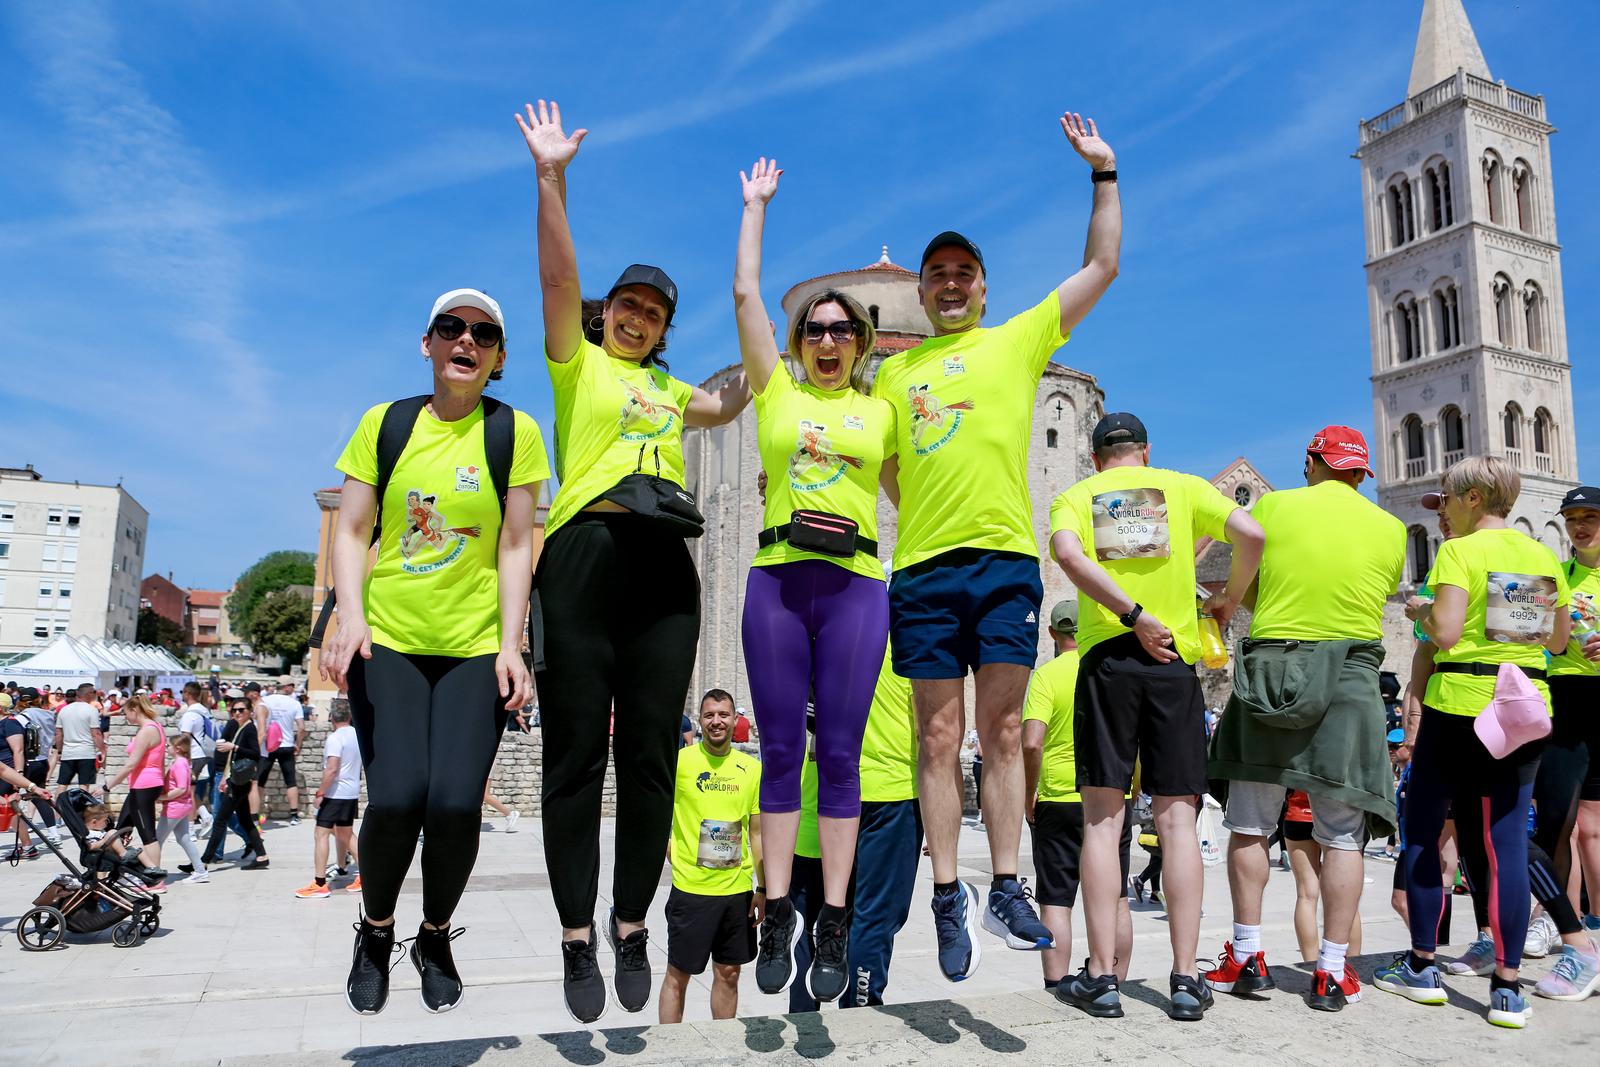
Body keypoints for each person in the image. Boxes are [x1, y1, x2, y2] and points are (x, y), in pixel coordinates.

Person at [871, 111, 1120, 981]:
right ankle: (948, 892)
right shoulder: (892, 373)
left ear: (982, 287)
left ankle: (1006, 883)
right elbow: (890, 469)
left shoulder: (1017, 340)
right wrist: (932, 512)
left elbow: (1102, 266)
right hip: (926, 570)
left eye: (961, 274)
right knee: (937, 737)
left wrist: (1102, 174)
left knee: (1004, 729)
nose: (947, 284)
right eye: (935, 274)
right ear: (920, 292)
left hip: (1006, 560)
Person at [517, 97, 749, 1022]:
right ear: (605, 313)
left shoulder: (674, 393)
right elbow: (553, 279)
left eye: (652, 314)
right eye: (626, 306)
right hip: (584, 552)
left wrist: (770, 305)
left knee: (653, 754)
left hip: (664, 568)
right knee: (577, 756)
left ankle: (628, 924)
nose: (636, 319)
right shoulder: (580, 365)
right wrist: (551, 177)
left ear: (663, 329)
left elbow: (736, 401)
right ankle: (576, 934)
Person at [320, 283, 546, 1017]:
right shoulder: (384, 425)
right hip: (388, 639)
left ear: (500, 357)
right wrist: (349, 616)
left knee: (453, 803)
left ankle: (435, 934)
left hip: (474, 645)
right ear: (428, 343)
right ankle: (377, 932)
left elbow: (517, 544)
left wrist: (514, 644)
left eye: (483, 333)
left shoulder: (514, 432)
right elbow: (351, 531)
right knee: (396, 797)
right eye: (451, 328)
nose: (466, 341)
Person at [731, 156, 895, 1002]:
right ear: (799, 344)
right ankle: (774, 907)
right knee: (780, 750)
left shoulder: (882, 409)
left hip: (858, 585)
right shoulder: (776, 398)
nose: (827, 340)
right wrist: (755, 207)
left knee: (840, 750)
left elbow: (921, 487)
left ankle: (832, 916)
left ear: (862, 345)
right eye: (815, 330)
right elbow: (746, 296)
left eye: (841, 331)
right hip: (778, 579)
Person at [1049, 411, 1263, 1021]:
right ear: (1145, 452)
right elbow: (1251, 535)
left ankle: (1101, 977)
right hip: (1173, 661)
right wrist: (1225, 599)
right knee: (1177, 819)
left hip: (1110, 659)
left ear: (1096, 459)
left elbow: (1067, 554)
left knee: (1101, 821)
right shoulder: (1183, 486)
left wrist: (1129, 612)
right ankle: (1184, 977)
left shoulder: (1076, 495)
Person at [1205, 426, 1404, 1013]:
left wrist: (1233, 600)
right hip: (1350, 676)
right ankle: (1332, 971)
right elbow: (1375, 592)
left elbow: (1252, 576)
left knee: (1248, 825)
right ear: (1360, 474)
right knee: (1343, 834)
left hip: (1271, 670)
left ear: (1313, 462)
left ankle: (1246, 955)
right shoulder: (1391, 529)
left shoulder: (1273, 505)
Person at [1375, 457, 1570, 1030]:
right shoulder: (1542, 555)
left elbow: (1449, 631)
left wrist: (1420, 610)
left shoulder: (1459, 553)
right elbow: (1558, 641)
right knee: (1505, 843)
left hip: (1461, 705)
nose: (1443, 513)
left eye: (1448, 501)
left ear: (1474, 498)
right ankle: (1509, 988)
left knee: (1424, 829)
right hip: (1526, 706)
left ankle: (1421, 965)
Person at [1023, 600, 1134, 996]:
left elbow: (1032, 741)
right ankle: (1113, 980)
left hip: (1058, 797)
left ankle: (1056, 984)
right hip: (1112, 794)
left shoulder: (1046, 676)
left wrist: (1028, 792)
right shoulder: (1111, 670)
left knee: (1056, 897)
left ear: (1052, 633)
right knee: (1117, 894)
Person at [1521, 487, 1600, 1000]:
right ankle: (1558, 922)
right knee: (1556, 822)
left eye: (1590, 516)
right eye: (1572, 518)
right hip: (1564, 696)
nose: (1580, 526)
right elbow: (1529, 633)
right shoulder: (1554, 574)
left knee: (1594, 828)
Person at [657, 692, 764, 1024]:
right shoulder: (681, 762)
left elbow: (757, 832)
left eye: (723, 714)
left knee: (730, 972)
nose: (716, 721)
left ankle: (724, 1043)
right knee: (679, 974)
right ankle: (670, 1049)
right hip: (691, 890)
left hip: (736, 891)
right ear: (700, 721)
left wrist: (763, 888)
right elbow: (656, 813)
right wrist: (668, 849)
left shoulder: (751, 769)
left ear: (735, 719)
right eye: (709, 715)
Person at [843, 644, 923, 1007]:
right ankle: (862, 1003)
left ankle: (807, 1005)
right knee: (877, 913)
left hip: (838, 792)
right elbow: (932, 734)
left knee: (834, 907)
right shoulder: (909, 646)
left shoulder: (840, 637)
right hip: (893, 792)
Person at [297, 706, 365, 899]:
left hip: (336, 793)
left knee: (320, 834)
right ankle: (366, 876)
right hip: (350, 792)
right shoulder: (356, 735)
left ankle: (319, 884)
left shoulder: (335, 738)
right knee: (345, 834)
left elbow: (331, 769)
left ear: (331, 718)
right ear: (349, 717)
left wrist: (320, 793)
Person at [102, 695, 167, 872]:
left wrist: (108, 785)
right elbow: (160, 761)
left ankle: (155, 876)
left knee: (147, 834)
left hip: (144, 785)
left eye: (126, 713)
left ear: (134, 710)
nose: (125, 718)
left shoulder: (147, 730)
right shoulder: (157, 727)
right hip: (146, 784)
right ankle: (119, 870)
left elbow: (132, 764)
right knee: (122, 827)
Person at [202, 700, 269, 870]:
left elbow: (255, 753)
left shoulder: (249, 729)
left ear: (249, 711)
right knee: (245, 820)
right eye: (234, 710)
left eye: (241, 710)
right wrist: (225, 777)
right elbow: (232, 759)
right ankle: (261, 856)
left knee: (220, 820)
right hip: (235, 780)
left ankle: (203, 861)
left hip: (239, 783)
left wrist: (235, 746)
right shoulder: (241, 727)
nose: (237, 713)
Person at [153, 734, 208, 885]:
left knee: (156, 841)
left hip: (175, 808)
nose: (167, 748)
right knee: (184, 839)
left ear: (177, 749)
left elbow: (182, 788)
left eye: (169, 746)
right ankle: (200, 871)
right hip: (180, 807)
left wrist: (162, 797)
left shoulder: (180, 764)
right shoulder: (181, 763)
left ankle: (150, 873)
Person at [258, 677, 307, 825]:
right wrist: (297, 744)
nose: (293, 688)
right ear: (287, 687)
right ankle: (294, 815)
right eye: (292, 685)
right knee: (290, 781)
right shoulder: (294, 703)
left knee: (260, 781)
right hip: (286, 745)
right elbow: (302, 728)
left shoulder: (265, 701)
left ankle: (259, 813)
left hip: (268, 745)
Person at [18, 689, 61, 846]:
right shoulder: (49, 715)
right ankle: (54, 832)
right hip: (42, 760)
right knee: (39, 797)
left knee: (9, 796)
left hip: (26, 761)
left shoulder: (20, 718)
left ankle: (25, 841)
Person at [177, 682, 215, 834]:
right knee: (189, 791)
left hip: (193, 756)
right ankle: (205, 816)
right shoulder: (204, 711)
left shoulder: (190, 715)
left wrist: (183, 758)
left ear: (187, 694)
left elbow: (184, 739)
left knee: (189, 793)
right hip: (203, 755)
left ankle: (191, 829)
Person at [53, 682, 104, 794]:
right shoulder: (91, 710)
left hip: (68, 752)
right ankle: (80, 810)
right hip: (86, 752)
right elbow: (96, 733)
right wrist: (102, 750)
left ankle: (58, 811)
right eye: (94, 692)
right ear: (89, 694)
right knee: (84, 786)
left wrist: (60, 751)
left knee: (62, 785)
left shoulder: (64, 710)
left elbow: (58, 733)